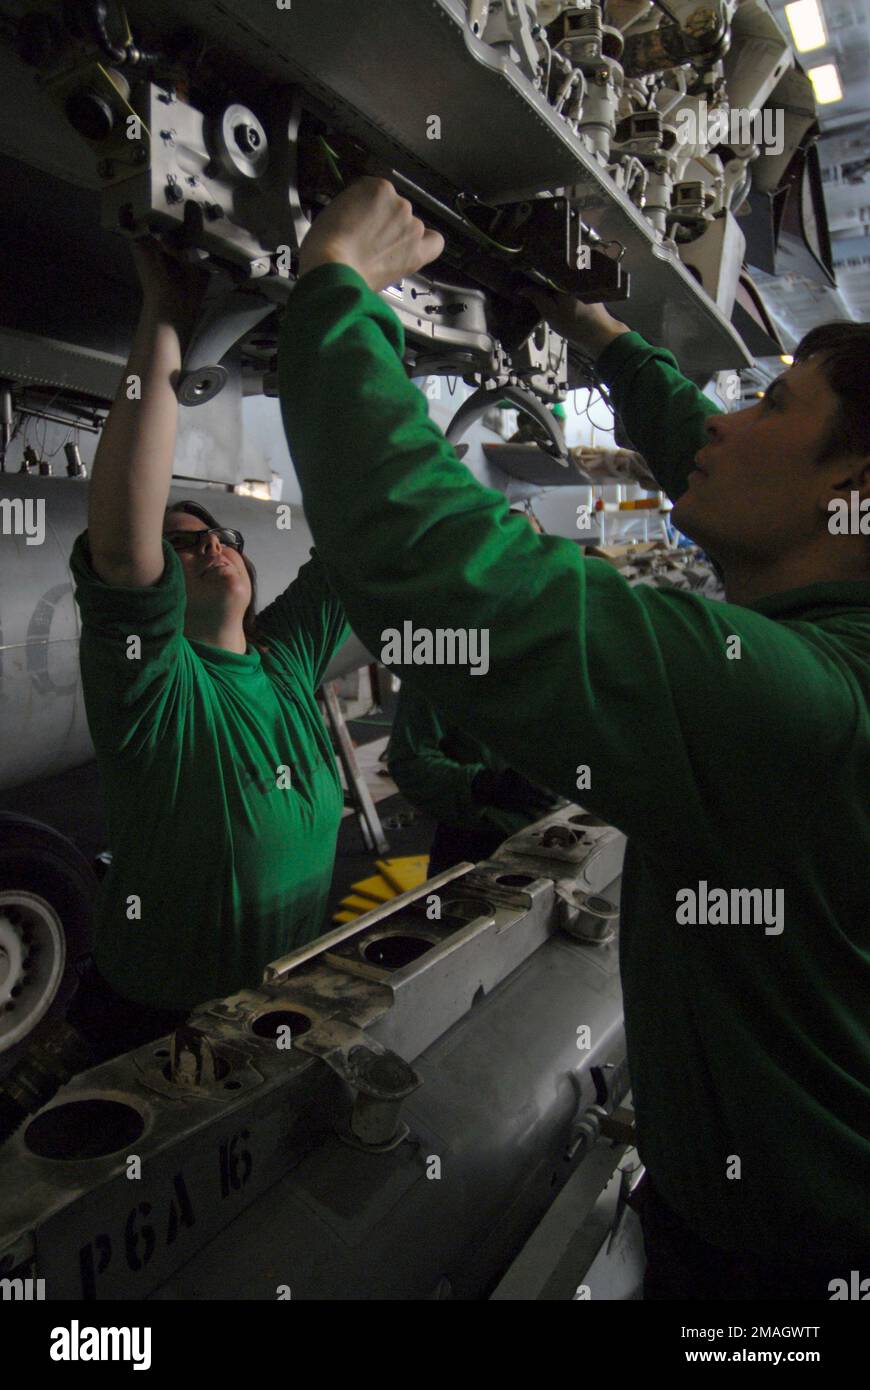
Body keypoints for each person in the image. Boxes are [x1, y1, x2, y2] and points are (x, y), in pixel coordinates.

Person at [274, 177, 870, 1300]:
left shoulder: (800, 705)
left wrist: (338, 287)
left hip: (772, 1269)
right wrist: (597, 333)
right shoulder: (840, 620)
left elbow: (433, 561)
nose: (727, 420)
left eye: (773, 405)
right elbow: (717, 451)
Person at [65, 239, 350, 1064]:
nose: (212, 546)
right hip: (155, 1027)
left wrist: (327, 339)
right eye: (183, 547)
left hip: (279, 1005)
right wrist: (166, 313)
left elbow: (350, 538)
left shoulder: (287, 665)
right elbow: (122, 552)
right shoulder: (155, 685)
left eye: (221, 535)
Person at [387, 511, 561, 875]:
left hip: (561, 836)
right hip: (477, 846)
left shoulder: (560, 637)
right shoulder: (445, 650)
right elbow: (410, 760)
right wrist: (485, 785)